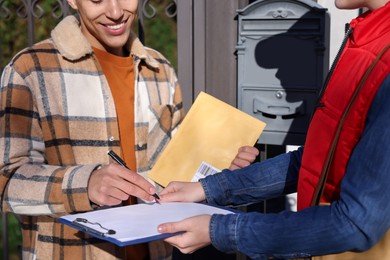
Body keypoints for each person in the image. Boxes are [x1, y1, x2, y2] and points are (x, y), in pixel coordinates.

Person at [156, 0, 390, 259]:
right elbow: (317, 159)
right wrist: (208, 188)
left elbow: (356, 223)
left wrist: (222, 231)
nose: (280, 77)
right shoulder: (366, 39)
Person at [0, 0, 184, 259]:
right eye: (97, 0)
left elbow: (176, 165)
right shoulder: (29, 69)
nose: (116, 12)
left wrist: (218, 165)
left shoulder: (160, 69)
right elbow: (6, 180)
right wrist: (85, 184)